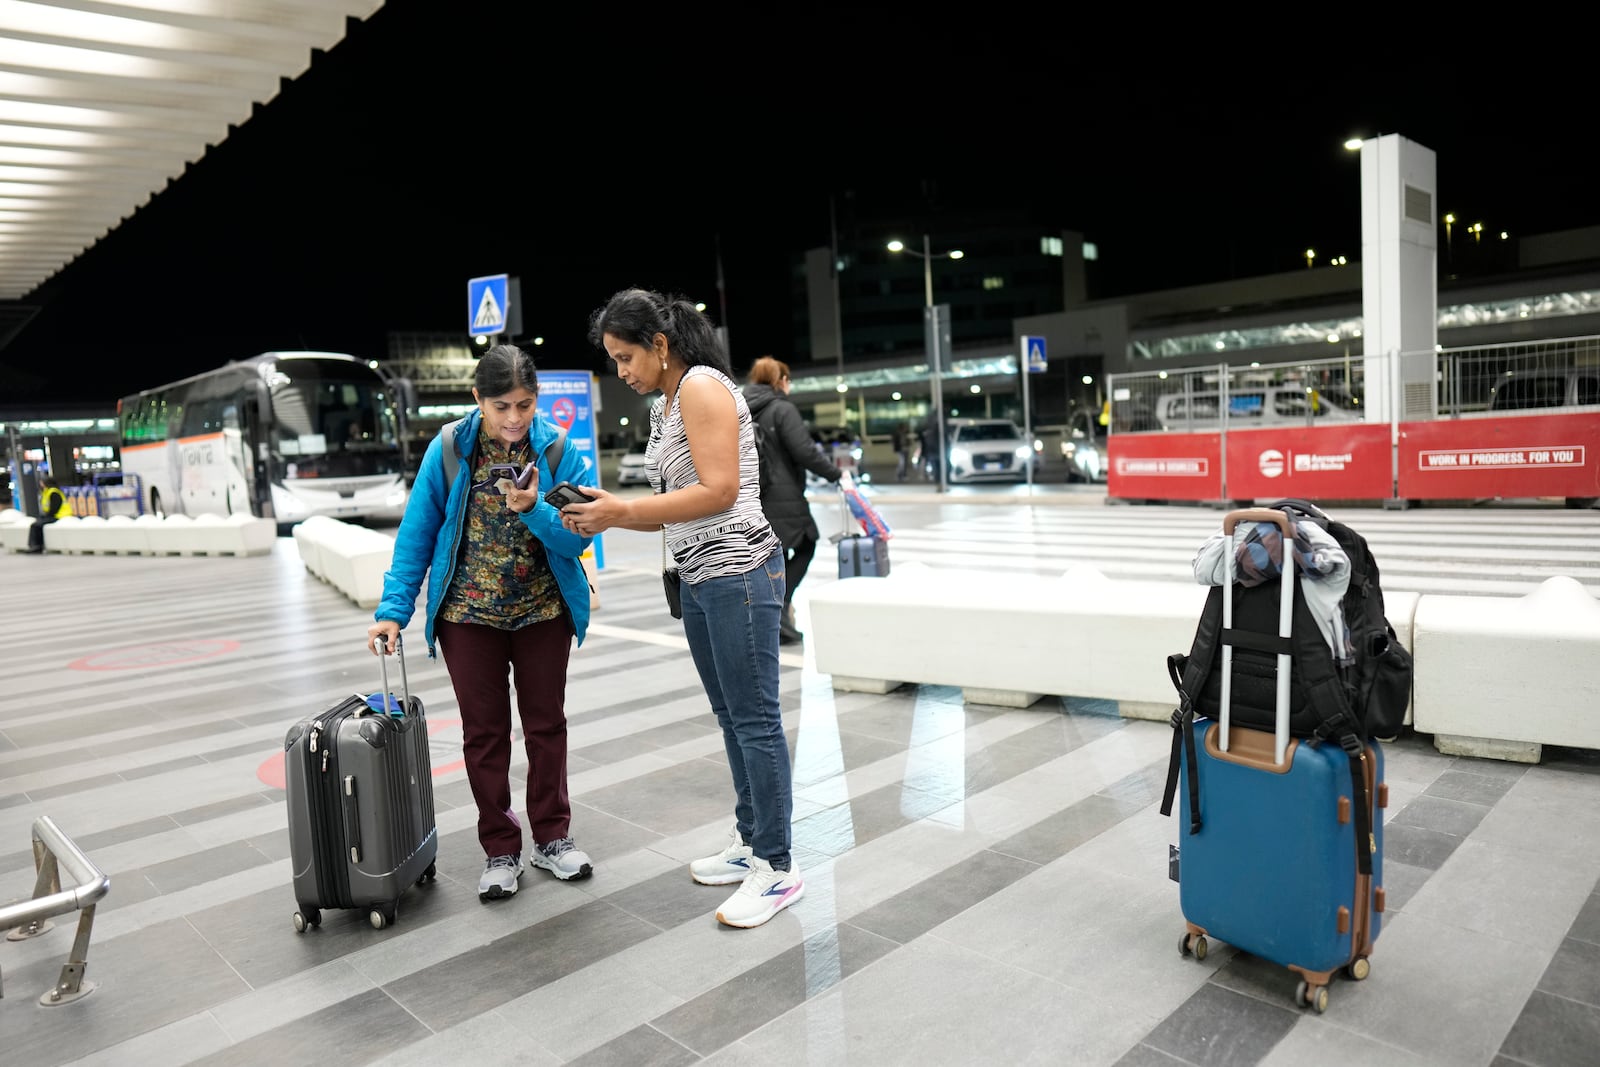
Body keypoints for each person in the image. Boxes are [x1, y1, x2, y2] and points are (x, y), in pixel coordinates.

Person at [557, 287, 802, 930]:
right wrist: (606, 509)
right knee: (731, 716)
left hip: (739, 572)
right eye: (612, 360)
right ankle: (751, 841)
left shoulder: (700, 388)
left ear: (659, 345)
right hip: (698, 578)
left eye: (624, 357)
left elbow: (720, 492)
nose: (621, 371)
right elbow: (677, 500)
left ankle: (778, 868)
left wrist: (620, 513)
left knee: (755, 720)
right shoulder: (665, 404)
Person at [367, 343, 597, 902]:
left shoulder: (561, 451)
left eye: (523, 404)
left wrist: (534, 508)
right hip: (466, 616)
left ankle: (553, 837)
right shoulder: (450, 448)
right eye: (501, 406)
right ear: (478, 399)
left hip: (543, 611)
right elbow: (417, 534)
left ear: (537, 399)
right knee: (484, 734)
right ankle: (500, 846)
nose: (514, 419)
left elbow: (578, 537)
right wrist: (393, 611)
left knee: (546, 726)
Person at [742, 355, 842, 645]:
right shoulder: (781, 408)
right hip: (783, 496)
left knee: (777, 555)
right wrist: (836, 474)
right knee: (807, 542)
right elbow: (805, 451)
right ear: (781, 381)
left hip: (755, 496)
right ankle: (779, 613)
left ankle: (775, 618)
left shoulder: (741, 408)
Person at [25, 476, 70, 553]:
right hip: (54, 515)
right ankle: (34, 546)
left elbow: (54, 508)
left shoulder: (54, 492)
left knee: (36, 525)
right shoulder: (47, 492)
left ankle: (37, 546)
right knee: (36, 523)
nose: (40, 484)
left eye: (41, 482)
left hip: (59, 516)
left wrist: (46, 517)